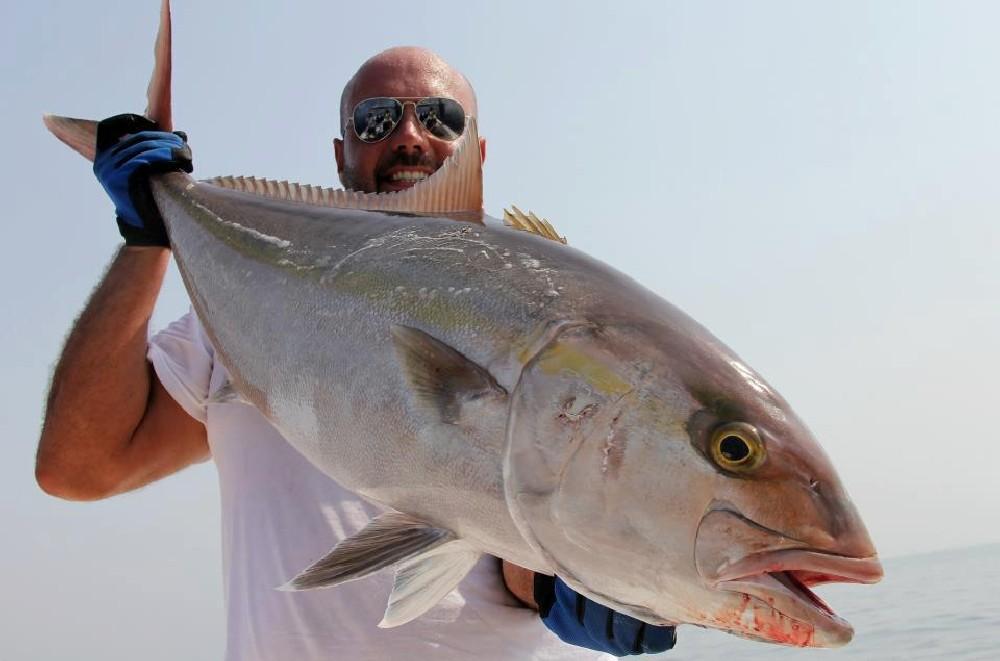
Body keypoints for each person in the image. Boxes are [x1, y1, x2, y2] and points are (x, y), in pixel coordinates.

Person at [35, 46, 677, 660]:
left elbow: (519, 536)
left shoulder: (545, 312)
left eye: (441, 117)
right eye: (376, 119)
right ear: (341, 153)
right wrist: (147, 235)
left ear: (477, 150)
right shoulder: (247, 313)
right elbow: (79, 469)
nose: (410, 136)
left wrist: (576, 582)